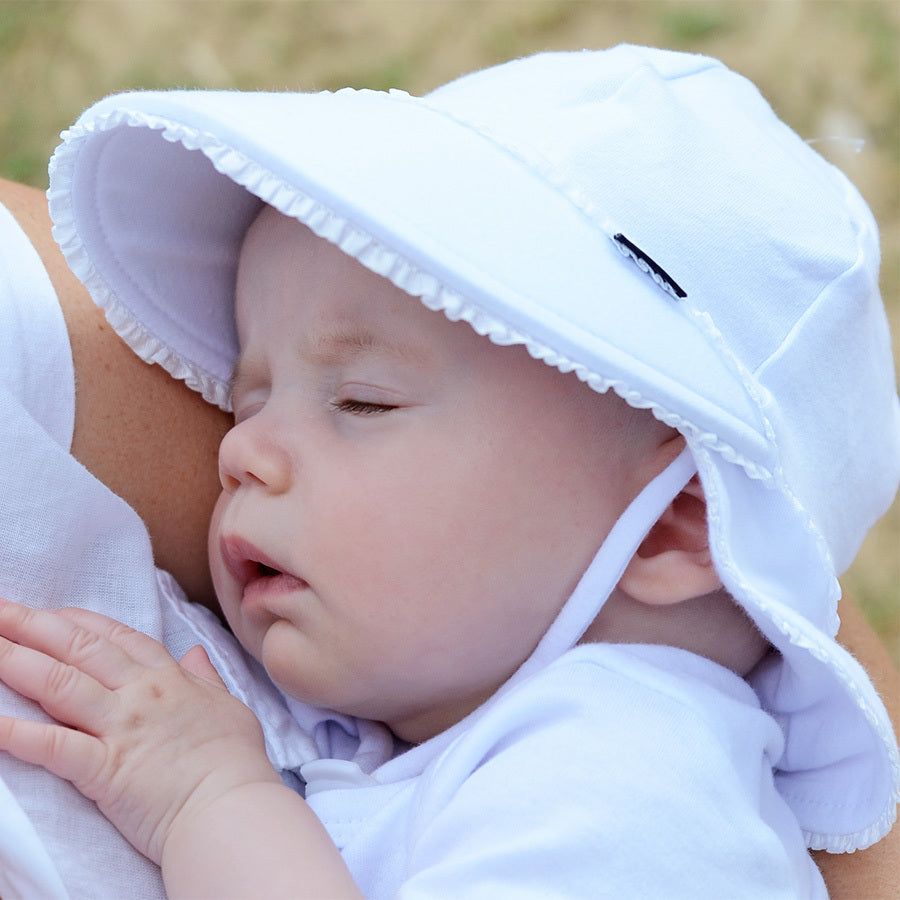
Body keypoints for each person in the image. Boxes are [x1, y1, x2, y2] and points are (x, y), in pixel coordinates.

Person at [0, 44, 898, 898]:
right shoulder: (466, 738)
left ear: (674, 526)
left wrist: (210, 801)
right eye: (247, 400)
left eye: (362, 401)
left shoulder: (630, 780)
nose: (235, 452)